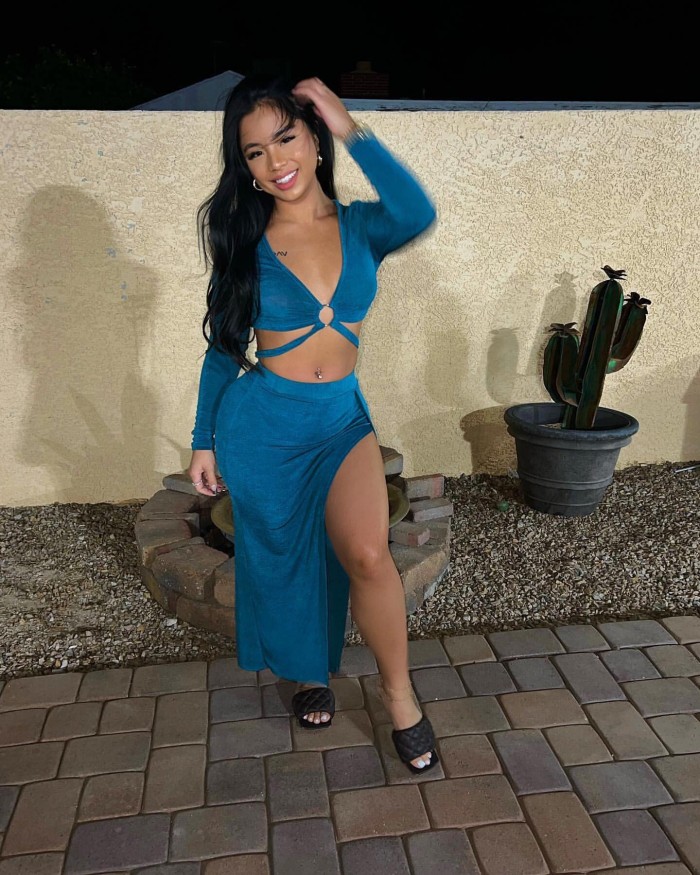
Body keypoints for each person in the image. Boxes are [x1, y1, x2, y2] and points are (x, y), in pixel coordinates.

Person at [187, 73, 439, 774]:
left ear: (315, 140)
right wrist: (204, 440)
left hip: (339, 421)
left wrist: (349, 123)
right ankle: (308, 675)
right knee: (286, 559)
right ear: (246, 168)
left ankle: (398, 695)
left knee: (367, 553)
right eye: (255, 152)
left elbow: (417, 209)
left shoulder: (362, 227)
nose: (275, 161)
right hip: (265, 426)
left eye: (286, 138)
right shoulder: (246, 242)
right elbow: (224, 350)